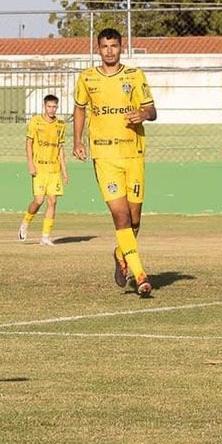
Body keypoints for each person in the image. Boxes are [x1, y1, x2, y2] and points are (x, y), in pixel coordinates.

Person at [72, 28, 156, 297]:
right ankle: (140, 274)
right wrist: (77, 141)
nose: (109, 50)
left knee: (135, 218)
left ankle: (121, 252)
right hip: (105, 156)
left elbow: (152, 110)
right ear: (98, 49)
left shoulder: (134, 76)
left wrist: (142, 113)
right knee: (120, 216)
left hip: (133, 154)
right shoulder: (87, 78)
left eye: (114, 46)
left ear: (122, 48)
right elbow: (80, 109)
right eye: (105, 46)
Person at [18, 94, 69, 246]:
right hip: (40, 167)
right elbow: (29, 143)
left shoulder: (60, 124)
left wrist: (64, 171)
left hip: (54, 169)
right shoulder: (35, 121)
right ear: (44, 106)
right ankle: (26, 222)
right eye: (49, 106)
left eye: (54, 107)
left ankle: (45, 237)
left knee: (52, 201)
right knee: (39, 200)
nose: (52, 109)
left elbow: (60, 148)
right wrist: (30, 164)